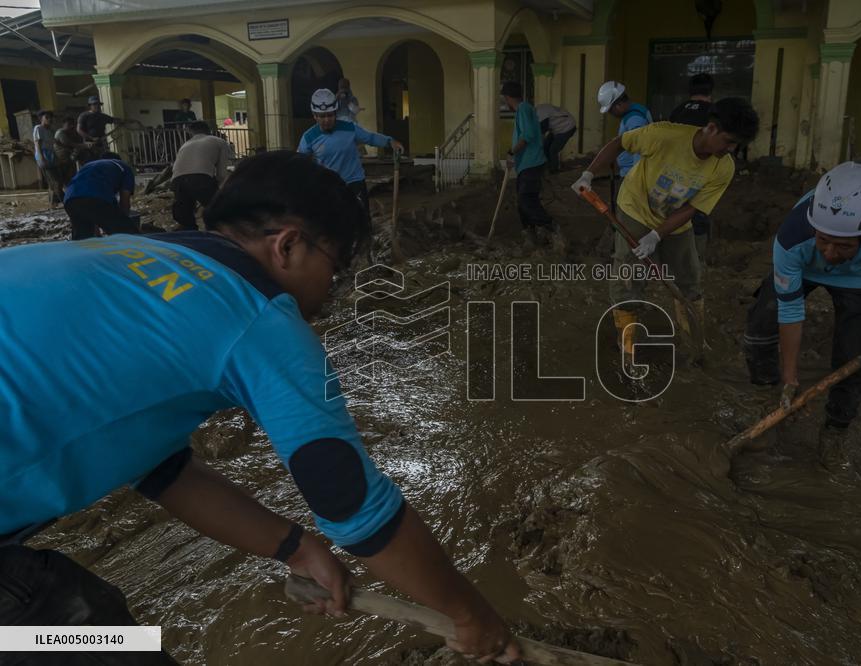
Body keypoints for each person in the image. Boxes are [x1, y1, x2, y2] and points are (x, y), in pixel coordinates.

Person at [0, 151, 520, 665]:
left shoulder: (127, 253)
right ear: (289, 245)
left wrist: (295, 547)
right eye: (334, 272)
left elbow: (162, 470)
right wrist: (472, 616)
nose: (329, 295)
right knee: (87, 632)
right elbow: (351, 503)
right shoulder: (257, 316)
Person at [742, 162, 861, 457]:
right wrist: (790, 379)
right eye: (823, 239)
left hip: (857, 274)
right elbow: (790, 312)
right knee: (761, 326)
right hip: (803, 262)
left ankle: (835, 432)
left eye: (843, 245)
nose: (829, 252)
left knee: (853, 352)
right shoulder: (793, 236)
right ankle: (767, 399)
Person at [573, 98, 759, 356]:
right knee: (628, 276)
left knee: (689, 279)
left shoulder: (723, 168)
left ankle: (694, 341)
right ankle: (627, 342)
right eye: (729, 141)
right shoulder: (664, 135)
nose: (731, 149)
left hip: (674, 222)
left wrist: (657, 235)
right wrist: (589, 174)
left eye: (737, 145)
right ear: (712, 128)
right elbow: (620, 143)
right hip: (635, 209)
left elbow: (692, 208)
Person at [297, 88, 403, 231]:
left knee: (361, 223)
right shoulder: (309, 137)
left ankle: (366, 250)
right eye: (321, 116)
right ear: (314, 116)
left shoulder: (349, 128)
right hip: (327, 186)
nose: (326, 119)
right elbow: (300, 163)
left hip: (354, 183)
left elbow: (370, 137)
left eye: (330, 115)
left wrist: (390, 141)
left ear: (335, 113)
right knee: (333, 225)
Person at [669, 74, 716, 262]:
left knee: (674, 210)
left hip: (673, 170)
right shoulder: (714, 113)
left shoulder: (677, 110)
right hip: (701, 172)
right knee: (698, 212)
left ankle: (671, 255)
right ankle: (696, 258)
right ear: (711, 91)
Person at [500, 80, 553, 237]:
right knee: (523, 202)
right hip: (525, 164)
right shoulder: (525, 109)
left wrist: (511, 152)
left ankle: (551, 228)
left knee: (526, 200)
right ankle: (530, 234)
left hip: (532, 163)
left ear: (508, 97)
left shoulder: (523, 108)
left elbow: (527, 136)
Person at [170, 121, 233, 231]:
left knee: (185, 217)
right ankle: (215, 234)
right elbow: (221, 174)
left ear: (191, 132)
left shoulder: (185, 145)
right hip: (201, 179)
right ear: (209, 131)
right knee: (216, 211)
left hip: (177, 180)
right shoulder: (219, 141)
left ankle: (189, 235)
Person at [62, 153, 139, 240]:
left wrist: (97, 233)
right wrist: (123, 222)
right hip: (95, 197)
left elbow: (90, 210)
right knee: (129, 234)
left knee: (84, 240)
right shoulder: (125, 168)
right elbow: (124, 202)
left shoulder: (90, 166)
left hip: (70, 198)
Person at [597, 81, 653, 180]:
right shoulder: (637, 110)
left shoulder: (634, 119)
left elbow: (639, 150)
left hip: (632, 175)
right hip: (630, 172)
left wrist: (637, 179)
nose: (611, 114)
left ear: (618, 104)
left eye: (610, 110)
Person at [535, 103, 577, 173]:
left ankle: (554, 171)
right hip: (557, 128)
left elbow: (542, 133)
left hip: (567, 127)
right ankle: (549, 167)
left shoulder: (540, 113)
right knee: (546, 146)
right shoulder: (539, 110)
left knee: (553, 149)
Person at [32, 110, 61, 205]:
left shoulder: (51, 130)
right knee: (55, 181)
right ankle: (61, 201)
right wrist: (42, 159)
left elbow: (55, 143)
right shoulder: (38, 128)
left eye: (50, 117)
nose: (49, 119)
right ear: (41, 119)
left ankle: (52, 203)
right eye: (47, 117)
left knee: (53, 182)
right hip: (43, 155)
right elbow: (37, 145)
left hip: (51, 155)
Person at [54, 115, 84, 181]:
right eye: (69, 124)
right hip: (62, 158)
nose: (71, 126)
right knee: (67, 177)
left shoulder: (70, 133)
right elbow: (69, 143)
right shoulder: (60, 132)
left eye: (72, 124)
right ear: (63, 124)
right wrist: (84, 145)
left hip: (69, 158)